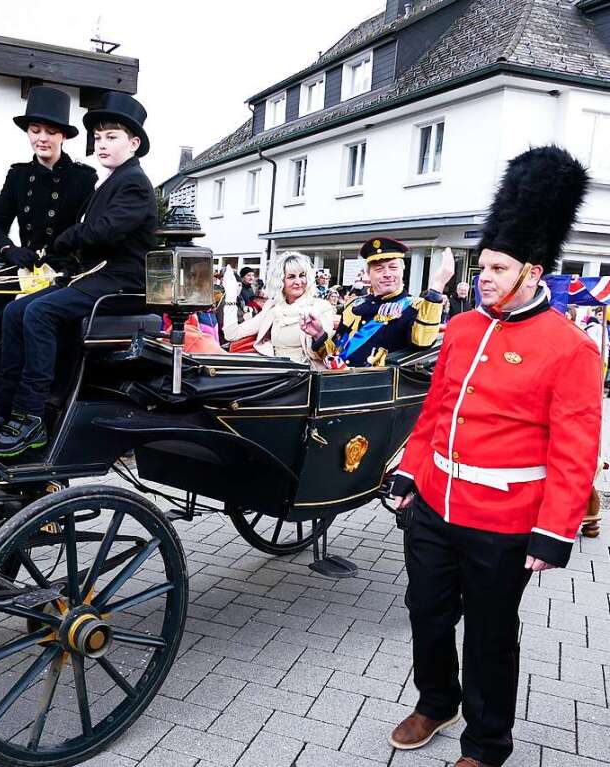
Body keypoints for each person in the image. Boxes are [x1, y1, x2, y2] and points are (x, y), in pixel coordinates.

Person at [386, 146, 600, 767]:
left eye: (499, 269)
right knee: (425, 611)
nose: (484, 278)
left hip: (505, 521)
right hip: (434, 503)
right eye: (482, 267)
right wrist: (409, 472)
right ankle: (436, 701)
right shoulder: (461, 328)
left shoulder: (571, 349)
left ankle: (486, 743)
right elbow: (437, 412)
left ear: (533, 272)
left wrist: (554, 531)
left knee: (489, 636)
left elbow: (575, 449)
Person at [0, 92, 157, 458]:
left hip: (120, 283)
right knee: (15, 310)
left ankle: (32, 417)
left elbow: (103, 231)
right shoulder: (111, 181)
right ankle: (3, 410)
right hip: (97, 278)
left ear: (134, 143)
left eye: (112, 137)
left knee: (40, 312)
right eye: (99, 138)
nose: (102, 144)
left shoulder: (133, 182)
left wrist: (62, 242)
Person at [0, 88, 99, 426]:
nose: (42, 138)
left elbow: (91, 230)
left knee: (25, 315)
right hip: (22, 269)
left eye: (50, 131)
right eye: (35, 130)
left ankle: (13, 408)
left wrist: (63, 258)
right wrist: (9, 249)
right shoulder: (18, 175)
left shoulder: (83, 178)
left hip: (62, 273)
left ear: (63, 136)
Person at [302, 237, 453, 367]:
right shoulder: (354, 306)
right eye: (379, 269)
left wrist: (437, 286)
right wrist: (319, 335)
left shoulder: (417, 306)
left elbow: (423, 342)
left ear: (403, 270)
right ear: (368, 274)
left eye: (393, 267)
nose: (387, 274)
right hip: (339, 386)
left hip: (378, 395)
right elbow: (336, 355)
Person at [221, 252, 335, 364]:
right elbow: (232, 334)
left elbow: (327, 354)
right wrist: (231, 296)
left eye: (302, 275)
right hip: (277, 376)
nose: (298, 282)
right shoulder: (273, 307)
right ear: (280, 281)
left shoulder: (321, 307)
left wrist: (318, 335)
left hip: (307, 376)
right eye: (291, 277)